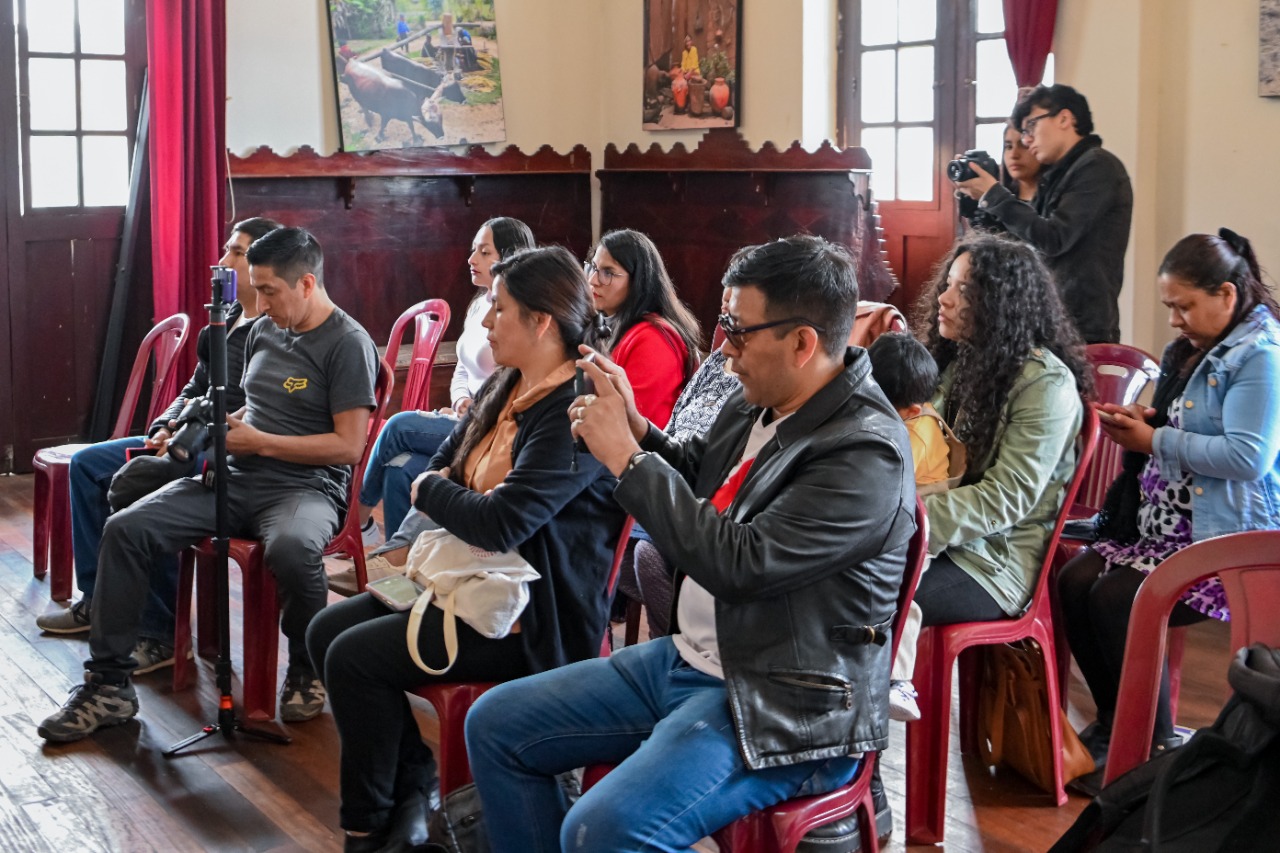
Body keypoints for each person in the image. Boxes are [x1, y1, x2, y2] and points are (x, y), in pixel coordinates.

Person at [464, 234, 916, 851]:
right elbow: (698, 468)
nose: (724, 349)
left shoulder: (865, 453)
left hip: (787, 702)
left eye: (739, 330)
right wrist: (638, 426)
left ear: (803, 342)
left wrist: (625, 461)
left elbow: (743, 563)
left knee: (603, 829)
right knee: (494, 724)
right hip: (698, 658)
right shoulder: (761, 398)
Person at [305, 246, 626, 852]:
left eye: (498, 310)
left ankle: (370, 826)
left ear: (541, 322)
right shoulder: (511, 382)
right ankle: (412, 789)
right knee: (327, 633)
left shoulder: (574, 411)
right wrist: (441, 486)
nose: (484, 323)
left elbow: (501, 523)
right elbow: (441, 459)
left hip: (529, 615)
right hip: (469, 582)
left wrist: (435, 490)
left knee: (353, 658)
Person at [37, 227, 380, 742]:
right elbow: (254, 407)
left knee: (290, 548)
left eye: (268, 291)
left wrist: (259, 441)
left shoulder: (347, 344)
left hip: (304, 487)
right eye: (256, 288)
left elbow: (349, 446)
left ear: (306, 284)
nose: (258, 302)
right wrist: (213, 429)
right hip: (236, 474)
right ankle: (109, 685)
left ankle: (307, 666)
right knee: (128, 528)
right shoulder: (265, 330)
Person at [1058, 229, 1280, 777]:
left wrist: (1153, 441)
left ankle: (1147, 742)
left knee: (1117, 599)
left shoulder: (1260, 356)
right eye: (1169, 307)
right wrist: (1146, 423)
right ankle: (1118, 723)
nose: (1174, 321)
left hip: (1224, 536)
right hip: (1166, 525)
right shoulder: (1195, 349)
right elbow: (1190, 426)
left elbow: (1247, 457)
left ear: (1227, 295)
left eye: (1184, 306)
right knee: (1075, 581)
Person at [35, 217, 283, 670]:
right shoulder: (224, 317)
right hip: (188, 431)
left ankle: (161, 630)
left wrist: (185, 439)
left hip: (226, 448)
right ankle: (97, 599)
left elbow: (250, 407)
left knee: (159, 481)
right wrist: (162, 429)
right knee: (89, 464)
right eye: (227, 248)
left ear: (267, 265)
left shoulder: (275, 330)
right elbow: (194, 386)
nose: (223, 260)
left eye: (238, 252)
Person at [911, 233, 1090, 628]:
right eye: (948, 284)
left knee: (857, 600)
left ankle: (888, 691)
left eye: (965, 290)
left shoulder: (1045, 383)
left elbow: (1006, 497)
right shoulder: (957, 362)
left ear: (1002, 303)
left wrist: (906, 522)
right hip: (941, 543)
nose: (944, 298)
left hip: (994, 562)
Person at [342, 217, 535, 572]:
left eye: (484, 251)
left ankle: (358, 523)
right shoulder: (480, 305)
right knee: (401, 470)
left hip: (488, 428)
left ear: (509, 257)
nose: (472, 257)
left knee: (398, 426)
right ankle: (401, 565)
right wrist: (462, 400)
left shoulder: (521, 319)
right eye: (473, 249)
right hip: (468, 416)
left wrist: (471, 412)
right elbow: (463, 367)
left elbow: (510, 387)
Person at [953, 84, 1133, 343]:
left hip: (1081, 326)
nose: (1026, 140)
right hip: (1048, 316)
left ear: (1064, 119)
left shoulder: (1097, 166)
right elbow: (1025, 241)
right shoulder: (1057, 174)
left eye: (1031, 127)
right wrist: (979, 200)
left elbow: (1054, 238)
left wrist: (994, 194)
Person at [867, 331, 951, 721]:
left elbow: (886, 483)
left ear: (912, 411)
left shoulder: (915, 432)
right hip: (889, 517)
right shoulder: (889, 413)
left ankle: (898, 679)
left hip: (921, 526)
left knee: (903, 593)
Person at [586, 228, 702, 428]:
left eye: (608, 273)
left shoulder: (653, 340)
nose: (593, 280)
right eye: (594, 268)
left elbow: (630, 425)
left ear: (638, 281)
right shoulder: (614, 324)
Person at [959, 121, 1043, 232]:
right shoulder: (995, 196)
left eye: (1023, 145)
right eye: (1008, 147)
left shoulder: (1052, 201)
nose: (1013, 155)